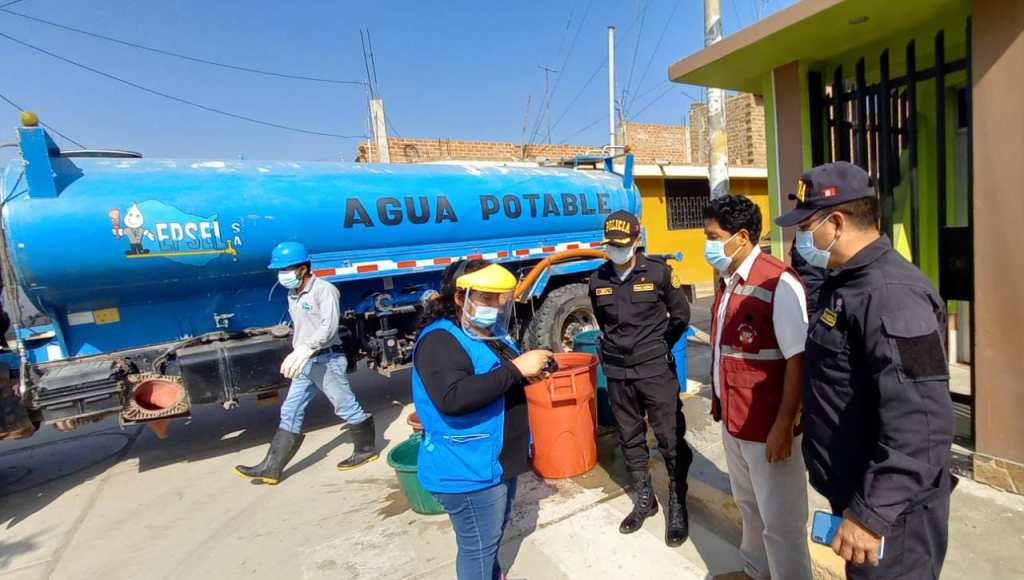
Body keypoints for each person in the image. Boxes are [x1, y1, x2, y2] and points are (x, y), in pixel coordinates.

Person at [776, 161, 955, 579]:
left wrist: (870, 516)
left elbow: (923, 426)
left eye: (806, 225)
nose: (801, 236)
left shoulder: (892, 296)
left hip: (891, 514)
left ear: (835, 223)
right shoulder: (847, 282)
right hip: (857, 492)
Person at [412, 259, 553, 580]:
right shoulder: (440, 340)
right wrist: (517, 370)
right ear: (460, 298)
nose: (495, 305)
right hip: (468, 469)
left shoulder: (485, 332)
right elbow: (453, 397)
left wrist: (527, 375)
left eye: (499, 299)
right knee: (478, 547)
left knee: (490, 538)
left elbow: (497, 377)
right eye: (485, 298)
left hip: (497, 461)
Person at [702, 195, 813, 580]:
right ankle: (755, 571)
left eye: (713, 236)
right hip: (734, 421)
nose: (708, 245)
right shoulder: (728, 280)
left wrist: (784, 425)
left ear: (743, 236)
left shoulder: (777, 281)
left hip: (768, 428)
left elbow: (798, 359)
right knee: (748, 507)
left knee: (782, 523)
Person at [589, 210, 694, 547]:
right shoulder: (597, 281)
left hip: (654, 371)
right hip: (618, 374)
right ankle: (645, 499)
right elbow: (605, 326)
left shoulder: (660, 274)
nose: (616, 250)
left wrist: (658, 345)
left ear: (636, 240)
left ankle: (677, 502)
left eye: (622, 244)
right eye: (611, 245)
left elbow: (681, 316)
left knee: (669, 437)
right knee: (630, 437)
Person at [235, 241, 378, 485]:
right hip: (305, 361)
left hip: (326, 359)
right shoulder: (293, 293)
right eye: (279, 270)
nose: (282, 275)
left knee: (345, 407)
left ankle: (366, 450)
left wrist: (307, 348)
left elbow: (329, 326)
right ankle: (272, 467)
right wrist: (299, 351)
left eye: (287, 269)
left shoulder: (324, 290)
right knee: (290, 410)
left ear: (302, 268)